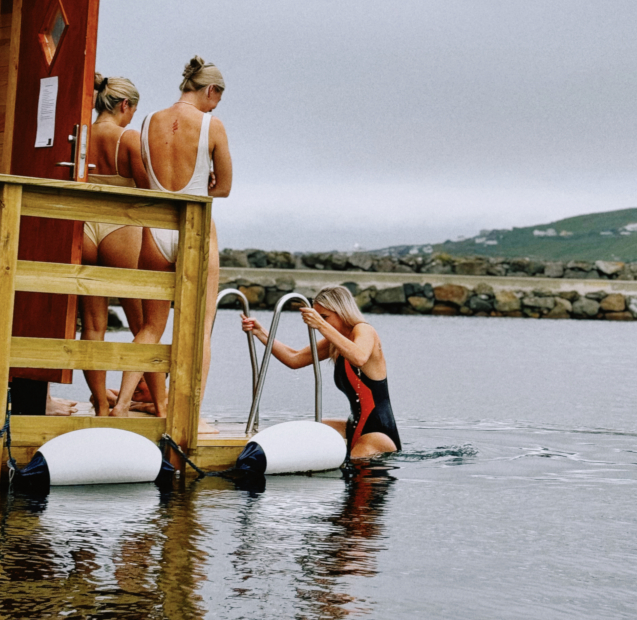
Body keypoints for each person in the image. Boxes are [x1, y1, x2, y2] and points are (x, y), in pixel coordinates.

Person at [112, 57, 232, 418]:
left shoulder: (147, 122)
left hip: (158, 228)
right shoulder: (212, 125)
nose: (216, 105)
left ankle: (120, 406)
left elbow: (146, 181)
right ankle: (190, 412)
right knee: (200, 329)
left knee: (150, 327)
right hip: (196, 229)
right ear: (210, 90)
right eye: (217, 98)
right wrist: (207, 179)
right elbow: (223, 188)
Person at [241, 285, 401, 461]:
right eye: (318, 318)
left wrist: (321, 325)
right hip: (354, 426)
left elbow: (360, 357)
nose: (319, 324)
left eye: (325, 317)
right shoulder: (335, 341)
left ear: (342, 312)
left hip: (378, 433)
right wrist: (261, 332)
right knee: (302, 430)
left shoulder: (364, 330)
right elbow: (294, 358)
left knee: (352, 469)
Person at [81, 74, 147, 416]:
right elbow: (150, 192)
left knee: (93, 326)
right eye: (133, 110)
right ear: (125, 105)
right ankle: (137, 399)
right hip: (120, 227)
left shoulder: (80, 134)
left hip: (84, 228)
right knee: (142, 325)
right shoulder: (129, 138)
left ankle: (100, 408)